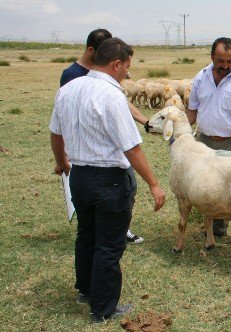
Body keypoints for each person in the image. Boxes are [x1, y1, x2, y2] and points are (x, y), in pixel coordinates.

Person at [50, 37, 166, 323]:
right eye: (127, 66)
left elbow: (55, 133)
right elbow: (131, 147)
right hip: (109, 180)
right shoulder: (111, 96)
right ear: (116, 64)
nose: (128, 72)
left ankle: (86, 290)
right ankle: (103, 309)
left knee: (86, 235)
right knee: (109, 244)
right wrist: (153, 183)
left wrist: (61, 161)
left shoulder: (68, 89)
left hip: (79, 176)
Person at [60, 28, 149, 244]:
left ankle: (120, 228)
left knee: (129, 189)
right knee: (106, 247)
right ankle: (112, 232)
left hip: (106, 155)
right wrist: (155, 184)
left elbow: (120, 101)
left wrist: (145, 120)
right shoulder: (72, 78)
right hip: (97, 159)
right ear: (94, 51)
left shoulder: (106, 81)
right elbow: (67, 119)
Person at [187, 37, 231, 254]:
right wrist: (178, 130)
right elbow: (192, 110)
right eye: (221, 61)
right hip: (206, 142)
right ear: (212, 57)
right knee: (211, 187)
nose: (226, 66)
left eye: (230, 61)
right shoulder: (201, 77)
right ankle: (216, 228)